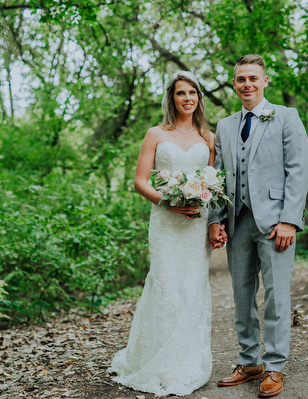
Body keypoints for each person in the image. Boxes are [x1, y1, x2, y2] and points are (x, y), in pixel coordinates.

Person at [108, 71, 222, 396]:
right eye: (181, 93)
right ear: (171, 98)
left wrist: (208, 215)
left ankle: (189, 363)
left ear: (199, 98)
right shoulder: (155, 134)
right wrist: (169, 202)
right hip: (165, 222)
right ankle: (156, 360)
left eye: (193, 93)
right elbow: (140, 181)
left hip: (195, 224)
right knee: (166, 286)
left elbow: (211, 184)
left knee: (193, 287)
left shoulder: (208, 138)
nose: (187, 98)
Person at [208, 54, 308, 397]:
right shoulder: (224, 126)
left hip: (276, 224)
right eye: (241, 79)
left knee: (277, 298)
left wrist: (289, 221)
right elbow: (218, 178)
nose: (247, 84)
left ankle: (275, 365)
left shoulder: (286, 117)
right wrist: (216, 220)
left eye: (253, 78)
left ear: (265, 81)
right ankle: (249, 361)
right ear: (234, 84)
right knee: (241, 297)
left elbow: (298, 169)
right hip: (238, 225)